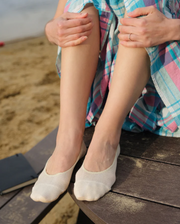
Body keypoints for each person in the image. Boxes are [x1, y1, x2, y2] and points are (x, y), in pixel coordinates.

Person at [30, 0, 180, 203]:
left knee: (143, 4)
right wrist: (52, 29)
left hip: (163, 78)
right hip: (107, 85)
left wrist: (171, 29)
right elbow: (58, 16)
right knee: (80, 6)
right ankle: (68, 141)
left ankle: (105, 140)